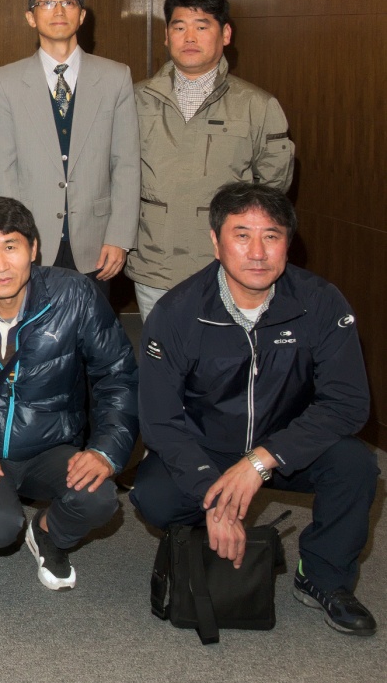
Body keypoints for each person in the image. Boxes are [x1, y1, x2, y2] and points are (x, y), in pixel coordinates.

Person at [130, 183, 377, 636]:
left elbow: (347, 404)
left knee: (356, 465)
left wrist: (262, 460)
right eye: (242, 235)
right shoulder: (177, 313)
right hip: (206, 447)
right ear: (215, 240)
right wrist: (216, 497)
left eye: (272, 235)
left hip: (285, 445)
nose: (258, 252)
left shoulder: (321, 303)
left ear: (289, 242)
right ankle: (209, 533)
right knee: (155, 496)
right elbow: (161, 423)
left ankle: (322, 577)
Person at [0, 197, 137, 590]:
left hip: (52, 447)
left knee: (98, 498)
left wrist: (105, 449)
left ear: (34, 249)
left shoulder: (76, 295)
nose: (1, 264)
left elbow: (117, 376)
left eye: (11, 246)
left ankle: (48, 532)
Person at [128, 0, 294, 319]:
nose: (189, 37)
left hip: (227, 268)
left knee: (225, 364)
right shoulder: (133, 99)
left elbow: (273, 189)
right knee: (163, 363)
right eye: (179, 27)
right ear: (166, 36)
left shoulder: (258, 106)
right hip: (154, 265)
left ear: (226, 34)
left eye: (202, 26)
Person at [0, 0, 139, 299]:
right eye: (47, 3)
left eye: (68, 2)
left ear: (82, 15)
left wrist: (120, 236)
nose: (58, 11)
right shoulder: (6, 80)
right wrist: (12, 238)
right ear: (31, 17)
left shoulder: (115, 77)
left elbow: (126, 163)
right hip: (32, 236)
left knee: (91, 339)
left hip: (97, 239)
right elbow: (5, 167)